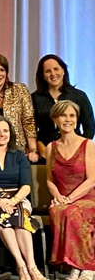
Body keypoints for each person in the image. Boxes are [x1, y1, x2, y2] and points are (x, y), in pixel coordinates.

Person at [0, 115, 45, 280]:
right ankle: (21, 265)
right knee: (5, 214)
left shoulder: (19, 155)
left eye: (5, 130)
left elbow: (26, 186)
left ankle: (31, 267)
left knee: (17, 215)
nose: (2, 134)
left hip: (18, 198)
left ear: (11, 133)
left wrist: (12, 201)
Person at [44, 100, 95, 277]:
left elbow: (92, 180)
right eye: (63, 115)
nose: (68, 119)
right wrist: (58, 196)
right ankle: (76, 266)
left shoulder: (87, 144)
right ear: (55, 119)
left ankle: (86, 267)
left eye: (72, 115)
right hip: (62, 199)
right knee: (59, 211)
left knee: (70, 212)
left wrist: (70, 199)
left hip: (87, 198)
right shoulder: (51, 147)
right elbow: (49, 180)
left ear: (77, 119)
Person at [0, 53, 39, 162]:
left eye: (2, 70)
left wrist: (33, 150)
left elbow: (28, 121)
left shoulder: (20, 90)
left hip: (17, 152)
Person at [31, 54, 95, 160]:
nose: (53, 74)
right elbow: (30, 128)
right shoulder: (35, 98)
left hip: (76, 152)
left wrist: (80, 148)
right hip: (46, 152)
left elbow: (89, 128)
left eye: (56, 69)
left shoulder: (79, 96)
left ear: (63, 71)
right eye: (48, 71)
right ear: (42, 75)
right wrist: (40, 148)